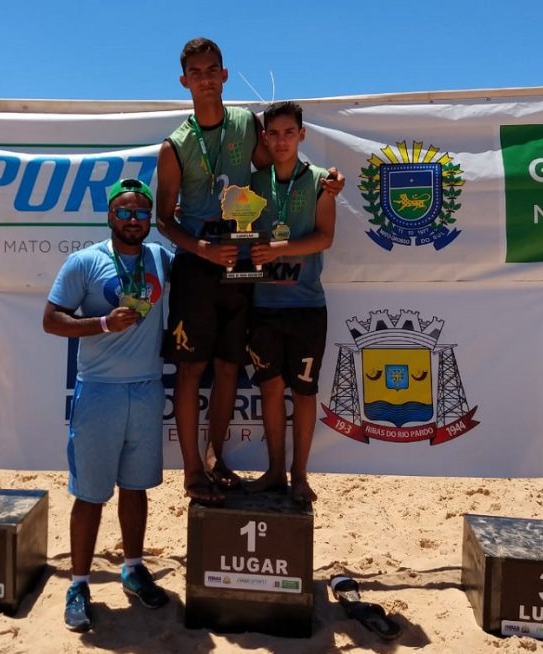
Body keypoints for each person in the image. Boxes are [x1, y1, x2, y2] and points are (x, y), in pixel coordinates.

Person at [156, 37, 344, 504]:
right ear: (185, 81)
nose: (205, 78)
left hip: (240, 264)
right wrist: (199, 248)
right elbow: (163, 219)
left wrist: (327, 179)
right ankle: (193, 472)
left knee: (226, 367)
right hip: (200, 266)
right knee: (189, 369)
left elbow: (277, 165)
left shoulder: (246, 123)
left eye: (212, 69)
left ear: (224, 74)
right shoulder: (174, 145)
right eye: (195, 72)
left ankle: (217, 457)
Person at [43, 178, 172, 632]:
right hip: (98, 390)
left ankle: (133, 568)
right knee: (90, 494)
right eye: (125, 211)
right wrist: (101, 322)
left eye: (141, 213)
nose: (133, 220)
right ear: (110, 216)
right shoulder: (84, 261)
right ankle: (78, 583)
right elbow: (51, 320)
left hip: (147, 386)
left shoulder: (161, 258)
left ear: (150, 219)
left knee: (136, 489)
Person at [245, 101, 336, 504]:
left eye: (288, 132)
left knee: (303, 391)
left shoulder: (321, 181)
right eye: (273, 133)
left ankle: (300, 476)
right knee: (269, 389)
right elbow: (237, 231)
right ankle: (274, 471)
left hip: (306, 306)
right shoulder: (252, 184)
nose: (281, 141)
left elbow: (324, 237)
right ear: (264, 138)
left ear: (302, 134)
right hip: (263, 305)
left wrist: (279, 249)